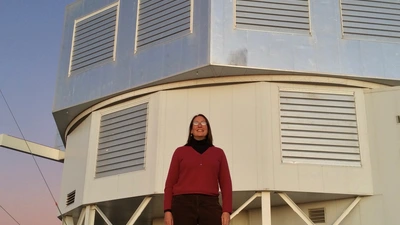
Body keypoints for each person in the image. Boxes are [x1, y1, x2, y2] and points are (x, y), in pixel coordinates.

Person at [164, 114, 233, 225]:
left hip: (210, 204)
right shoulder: (179, 152)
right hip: (182, 204)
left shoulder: (218, 153)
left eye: (203, 123)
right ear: (191, 130)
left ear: (208, 129)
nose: (200, 125)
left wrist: (226, 211)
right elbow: (169, 184)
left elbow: (226, 184)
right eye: (196, 123)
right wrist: (167, 210)